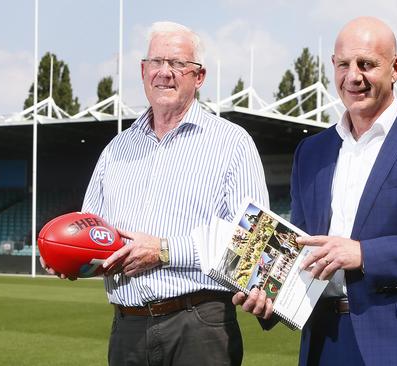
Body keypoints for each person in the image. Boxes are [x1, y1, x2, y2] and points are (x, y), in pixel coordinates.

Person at [234, 16, 397, 365]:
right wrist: (269, 298)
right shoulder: (311, 152)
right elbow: (302, 249)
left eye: (367, 65)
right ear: (333, 67)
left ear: (395, 68)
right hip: (323, 340)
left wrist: (365, 254)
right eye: (344, 65)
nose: (354, 77)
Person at [41, 21, 268, 366]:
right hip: (127, 326)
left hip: (199, 325)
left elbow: (253, 242)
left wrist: (164, 250)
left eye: (178, 64)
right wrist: (66, 256)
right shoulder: (116, 149)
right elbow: (92, 231)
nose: (165, 73)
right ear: (143, 71)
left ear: (199, 76)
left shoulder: (232, 143)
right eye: (156, 62)